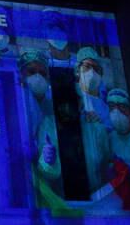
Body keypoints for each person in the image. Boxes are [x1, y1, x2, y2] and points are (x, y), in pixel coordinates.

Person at [18, 49, 65, 206]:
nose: (38, 77)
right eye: (31, 71)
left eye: (42, 73)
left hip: (44, 183)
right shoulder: (13, 100)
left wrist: (47, 159)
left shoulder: (53, 110)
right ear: (21, 74)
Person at [75, 46, 112, 197]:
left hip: (99, 170)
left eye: (97, 69)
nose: (92, 72)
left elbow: (110, 138)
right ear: (78, 70)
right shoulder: (72, 95)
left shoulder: (105, 107)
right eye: (87, 66)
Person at [105, 88, 130, 211]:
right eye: (111, 106)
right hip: (118, 200)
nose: (116, 111)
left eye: (121, 106)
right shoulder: (109, 138)